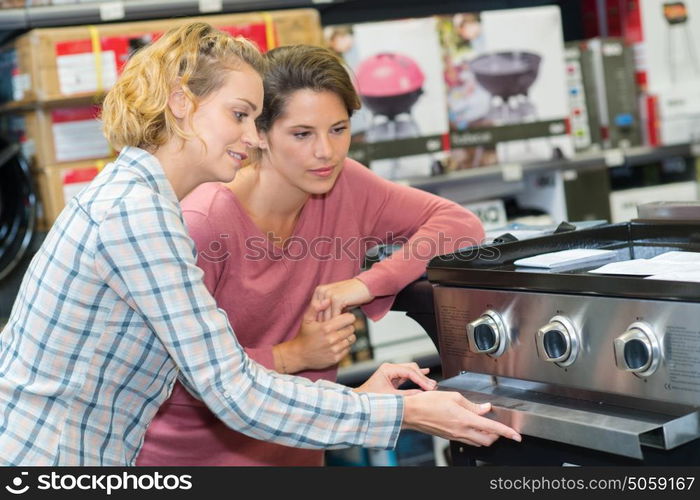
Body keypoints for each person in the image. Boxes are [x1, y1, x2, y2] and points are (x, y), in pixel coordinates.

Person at [0, 23, 520, 466]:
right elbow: (234, 392)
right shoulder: (140, 216)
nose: (253, 137)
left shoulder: (132, 196)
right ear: (182, 105)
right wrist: (406, 412)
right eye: (239, 115)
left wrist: (357, 392)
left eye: (255, 118)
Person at [137, 45, 493, 466]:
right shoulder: (203, 222)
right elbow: (172, 371)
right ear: (260, 134)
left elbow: (458, 225)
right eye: (302, 134)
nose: (326, 152)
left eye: (338, 129)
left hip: (302, 448)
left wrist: (367, 283)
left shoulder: (346, 185)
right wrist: (295, 355)